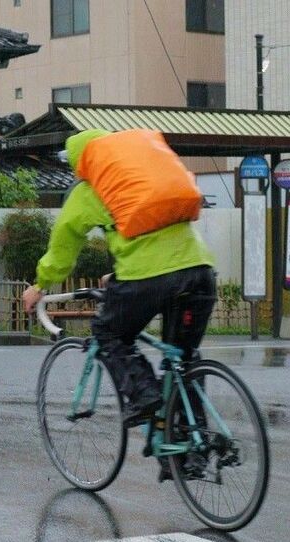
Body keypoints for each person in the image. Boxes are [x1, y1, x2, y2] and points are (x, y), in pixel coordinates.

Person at [22, 129, 217, 431]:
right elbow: (159, 239)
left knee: (107, 332)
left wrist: (40, 285)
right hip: (200, 272)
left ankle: (144, 396)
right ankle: (191, 445)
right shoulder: (144, 177)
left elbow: (64, 244)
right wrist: (116, 274)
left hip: (148, 278)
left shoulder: (90, 189)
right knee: (183, 358)